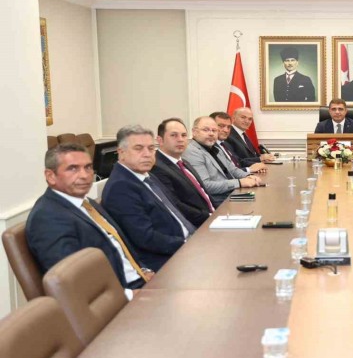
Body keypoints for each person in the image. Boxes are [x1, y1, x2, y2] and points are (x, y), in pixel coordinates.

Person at [26, 143, 151, 290]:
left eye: (88, 167)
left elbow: (119, 245)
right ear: (51, 176)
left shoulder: (86, 202)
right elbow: (72, 281)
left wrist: (144, 271)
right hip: (119, 296)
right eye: (73, 168)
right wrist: (128, 295)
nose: (85, 176)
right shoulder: (47, 218)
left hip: (140, 280)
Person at [101, 125, 197, 272]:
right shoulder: (120, 187)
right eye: (138, 148)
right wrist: (187, 244)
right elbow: (146, 238)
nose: (147, 154)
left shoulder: (146, 175)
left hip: (188, 242)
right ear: (121, 153)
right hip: (167, 260)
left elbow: (174, 209)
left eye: (151, 148)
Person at [182, 116, 263, 207]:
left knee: (263, 199)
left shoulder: (216, 148)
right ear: (194, 132)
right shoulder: (192, 151)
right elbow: (205, 186)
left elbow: (233, 170)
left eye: (214, 130)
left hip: (233, 194)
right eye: (206, 130)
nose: (211, 134)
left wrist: (249, 176)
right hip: (218, 203)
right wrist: (239, 182)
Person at [151, 118, 214, 228]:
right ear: (160, 140)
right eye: (174, 135)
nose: (180, 140)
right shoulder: (156, 167)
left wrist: (219, 211)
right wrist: (210, 217)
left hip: (212, 217)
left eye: (184, 135)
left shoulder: (184, 162)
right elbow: (174, 205)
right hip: (196, 226)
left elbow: (204, 194)